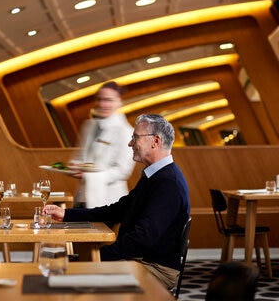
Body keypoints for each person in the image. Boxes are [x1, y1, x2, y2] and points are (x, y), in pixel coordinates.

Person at [45, 114, 190, 289]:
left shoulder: (168, 183)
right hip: (138, 260)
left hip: (154, 269)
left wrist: (97, 256)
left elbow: (142, 238)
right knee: (62, 265)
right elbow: (115, 210)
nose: (130, 144)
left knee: (67, 273)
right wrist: (66, 214)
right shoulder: (155, 176)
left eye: (135, 137)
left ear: (156, 141)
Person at [69, 81, 135, 208]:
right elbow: (79, 157)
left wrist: (88, 175)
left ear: (119, 102)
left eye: (108, 100)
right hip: (82, 195)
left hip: (108, 200)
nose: (102, 104)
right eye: (99, 99)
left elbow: (122, 171)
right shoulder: (88, 126)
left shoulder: (126, 131)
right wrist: (74, 166)